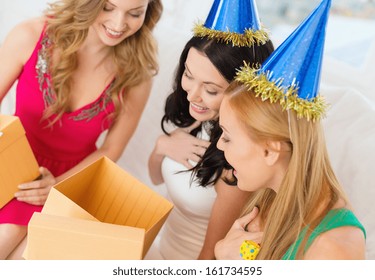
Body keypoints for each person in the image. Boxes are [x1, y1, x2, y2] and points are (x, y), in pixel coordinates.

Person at [0, 0, 162, 260]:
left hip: (74, 181)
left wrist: (56, 186)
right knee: (8, 234)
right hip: (14, 166)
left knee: (29, 257)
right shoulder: (29, 35)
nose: (119, 24)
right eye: (108, 8)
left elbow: (112, 148)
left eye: (134, 13)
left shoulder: (137, 75)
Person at [214, 0, 366, 260]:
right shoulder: (268, 195)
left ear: (271, 151)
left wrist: (227, 260)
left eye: (227, 136)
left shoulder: (334, 249)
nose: (219, 145)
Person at [146, 0, 274, 259]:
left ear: (243, 93)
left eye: (211, 89)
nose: (192, 95)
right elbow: (157, 178)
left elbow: (211, 254)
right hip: (160, 247)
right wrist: (163, 146)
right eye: (189, 76)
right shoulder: (198, 119)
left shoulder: (236, 165)